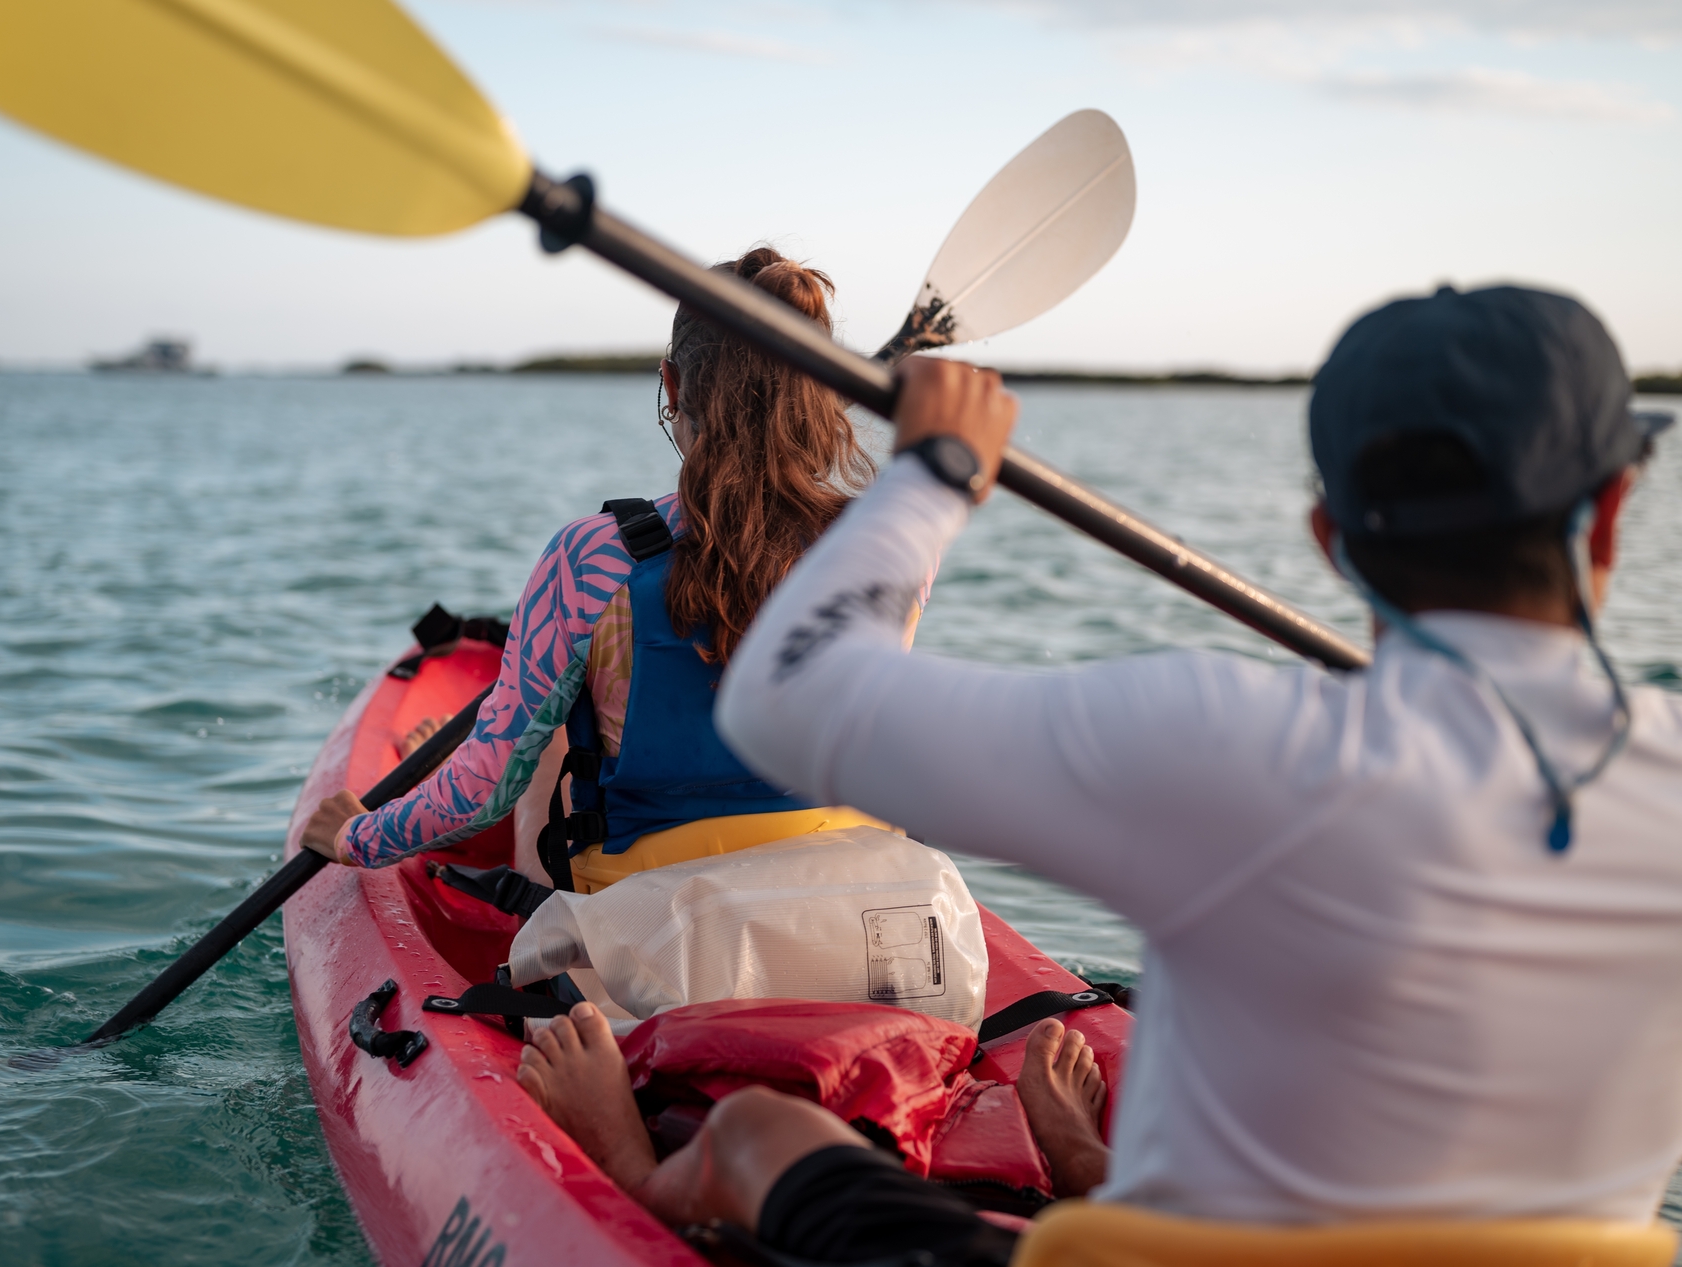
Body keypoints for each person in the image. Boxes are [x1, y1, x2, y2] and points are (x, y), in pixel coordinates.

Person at [519, 284, 1682, 1264]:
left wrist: (930, 476)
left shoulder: (1223, 737)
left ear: (1330, 538)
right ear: (1612, 515)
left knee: (763, 1133)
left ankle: (622, 1160)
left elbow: (794, 693)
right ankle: (1088, 1167)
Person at [299, 247, 879, 884]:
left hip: (650, 941)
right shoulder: (886, 540)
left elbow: (480, 796)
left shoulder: (593, 557)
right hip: (858, 905)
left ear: (672, 385)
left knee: (552, 723)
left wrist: (357, 835)